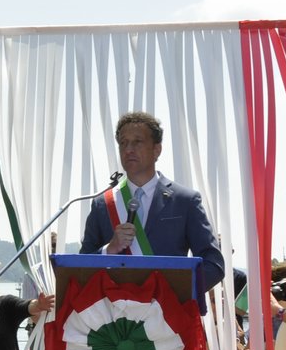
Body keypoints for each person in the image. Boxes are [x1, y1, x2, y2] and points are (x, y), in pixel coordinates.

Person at [79, 111, 225, 305]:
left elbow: (213, 264)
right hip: (114, 322)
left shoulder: (185, 200)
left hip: (167, 319)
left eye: (137, 142)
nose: (128, 149)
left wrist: (172, 294)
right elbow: (80, 266)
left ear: (157, 150)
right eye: (123, 143)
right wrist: (109, 249)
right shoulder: (102, 204)